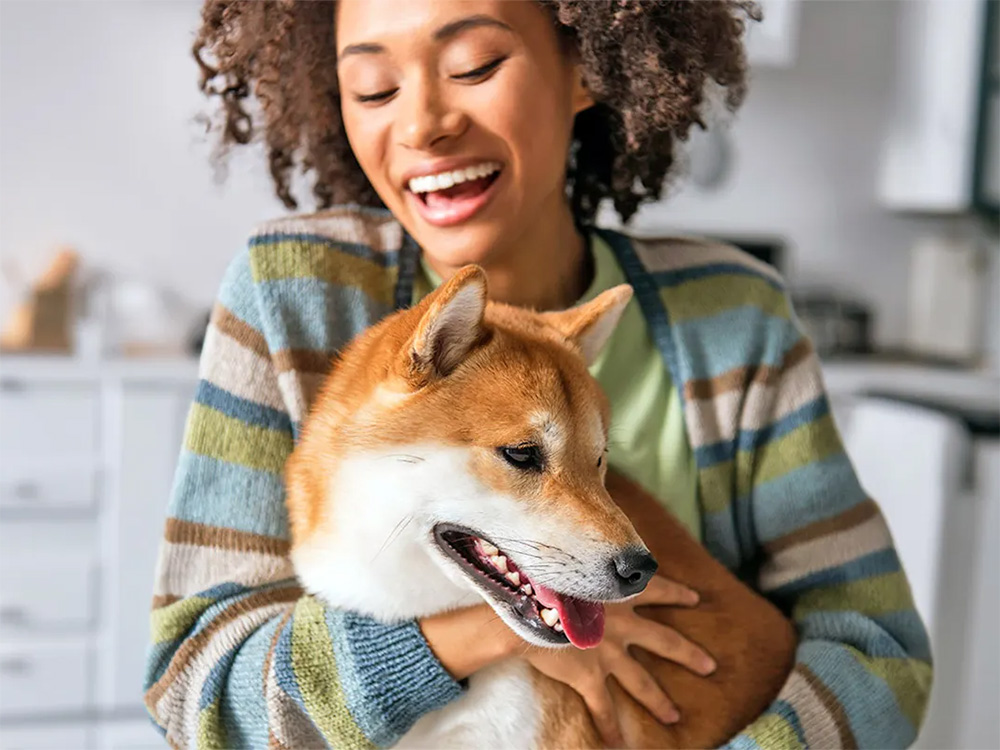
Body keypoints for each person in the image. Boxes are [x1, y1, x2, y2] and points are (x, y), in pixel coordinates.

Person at [145, 1, 932, 748]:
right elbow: (197, 697)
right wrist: (497, 626)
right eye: (373, 87)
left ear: (587, 64)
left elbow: (879, 655)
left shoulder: (735, 316)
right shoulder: (290, 295)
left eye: (476, 65)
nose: (422, 124)